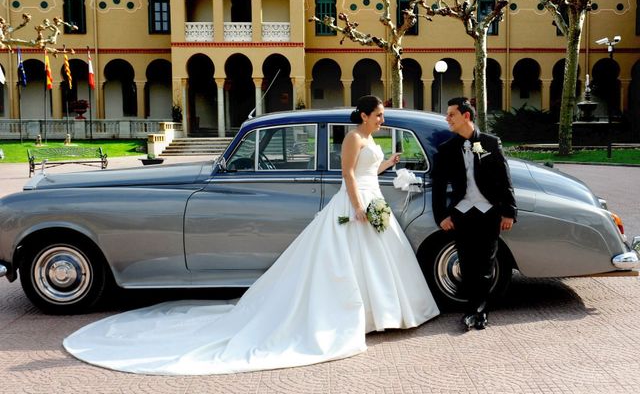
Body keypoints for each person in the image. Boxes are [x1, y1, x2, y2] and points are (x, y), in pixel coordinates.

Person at [63, 95, 439, 375]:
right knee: (349, 260)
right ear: (364, 115)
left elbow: (361, 171)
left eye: (383, 116)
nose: (382, 120)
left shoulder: (370, 139)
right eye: (378, 115)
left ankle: (382, 314)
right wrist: (357, 206)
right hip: (357, 201)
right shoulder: (354, 138)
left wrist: (388, 165)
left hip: (365, 199)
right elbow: (347, 174)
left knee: (368, 258)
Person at [431, 97, 516, 331]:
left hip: (489, 213)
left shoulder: (490, 143)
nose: (447, 118)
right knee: (467, 265)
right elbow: (438, 186)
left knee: (487, 265)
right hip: (462, 213)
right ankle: (472, 311)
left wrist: (509, 212)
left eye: (451, 115)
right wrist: (441, 216)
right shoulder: (447, 149)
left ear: (466, 116)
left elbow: (504, 180)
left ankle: (480, 311)